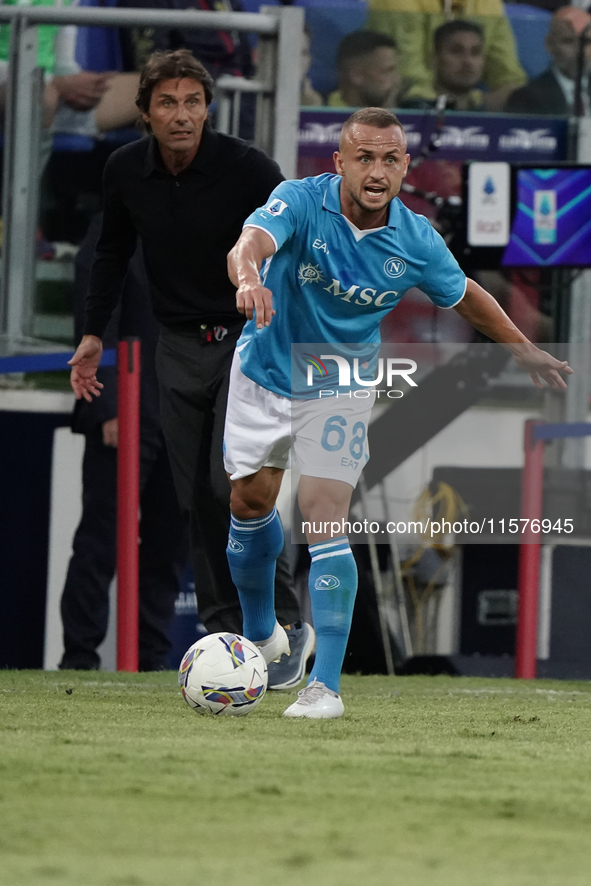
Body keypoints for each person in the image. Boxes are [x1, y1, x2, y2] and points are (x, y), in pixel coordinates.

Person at [220, 107, 572, 719]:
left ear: (406, 166)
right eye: (364, 158)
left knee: (323, 513)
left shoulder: (415, 239)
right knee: (249, 504)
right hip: (264, 371)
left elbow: (466, 295)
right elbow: (250, 242)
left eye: (389, 159)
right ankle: (269, 637)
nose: (377, 171)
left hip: (338, 380)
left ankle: (324, 686)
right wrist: (250, 278)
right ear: (340, 164)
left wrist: (525, 351)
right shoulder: (300, 201)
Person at [67, 49, 314, 690]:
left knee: (229, 486)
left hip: (250, 340)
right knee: (193, 502)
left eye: (193, 102)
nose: (182, 116)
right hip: (174, 346)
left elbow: (298, 240)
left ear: (209, 108)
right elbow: (112, 252)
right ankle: (230, 635)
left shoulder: (249, 168)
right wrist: (94, 333)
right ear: (146, 112)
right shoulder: (124, 170)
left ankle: (283, 625)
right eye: (168, 103)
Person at [60, 216, 188, 672]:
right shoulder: (119, 219)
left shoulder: (208, 222)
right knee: (101, 539)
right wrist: (109, 404)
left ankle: (152, 659)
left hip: (183, 414)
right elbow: (96, 311)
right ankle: (79, 657)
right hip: (128, 407)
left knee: (168, 546)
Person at [366, 0, 527, 111]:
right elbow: (410, 84)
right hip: (407, 112)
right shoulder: (398, 3)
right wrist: (472, 101)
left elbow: (510, 79)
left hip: (467, 109)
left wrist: (476, 102)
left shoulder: (488, 4)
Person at [504, 6, 591, 115]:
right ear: (549, 45)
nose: (580, 52)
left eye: (587, 42)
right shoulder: (527, 97)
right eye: (568, 41)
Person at [402, 20, 487, 111]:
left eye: (475, 52)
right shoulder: (412, 112)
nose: (468, 61)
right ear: (435, 58)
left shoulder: (491, 116)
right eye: (456, 51)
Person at [327, 31, 402, 109]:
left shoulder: (408, 115)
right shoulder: (322, 115)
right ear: (356, 75)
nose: (397, 80)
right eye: (386, 71)